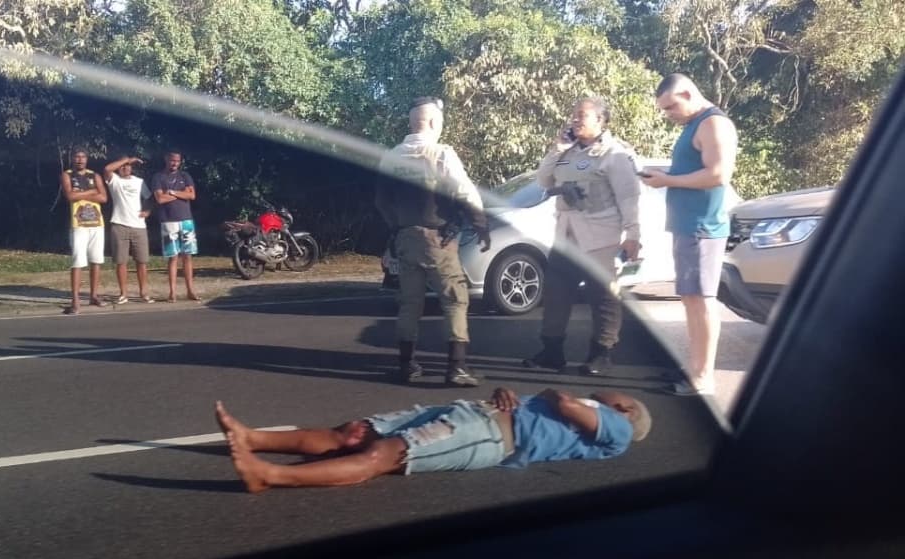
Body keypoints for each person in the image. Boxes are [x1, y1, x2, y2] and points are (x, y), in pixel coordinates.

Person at [213, 386, 651, 493]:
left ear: (626, 409)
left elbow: (566, 405)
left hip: (486, 436)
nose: (610, 393)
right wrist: (505, 393)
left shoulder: (621, 429)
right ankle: (252, 438)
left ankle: (267, 476)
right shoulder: (598, 414)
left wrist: (558, 396)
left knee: (380, 455)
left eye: (620, 397)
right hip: (475, 412)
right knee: (352, 433)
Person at [375, 96, 491, 387]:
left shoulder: (391, 156)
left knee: (410, 303)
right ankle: (457, 368)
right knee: (454, 299)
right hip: (437, 239)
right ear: (432, 123)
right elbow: (465, 192)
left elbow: (382, 201)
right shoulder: (441, 154)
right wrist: (480, 225)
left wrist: (396, 228)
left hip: (405, 238)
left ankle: (407, 365)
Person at [525, 97, 643, 376]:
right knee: (556, 294)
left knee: (602, 296)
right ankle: (551, 352)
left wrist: (633, 234)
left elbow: (630, 197)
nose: (575, 120)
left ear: (601, 121)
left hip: (600, 236)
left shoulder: (615, 154)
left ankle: (601, 354)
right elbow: (543, 181)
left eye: (583, 115)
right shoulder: (568, 151)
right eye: (574, 115)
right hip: (567, 235)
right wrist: (558, 148)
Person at [639, 74, 738, 396]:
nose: (668, 113)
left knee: (702, 302)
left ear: (687, 92)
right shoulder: (694, 125)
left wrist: (668, 181)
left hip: (702, 227)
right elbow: (693, 172)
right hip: (687, 227)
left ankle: (703, 378)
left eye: (670, 106)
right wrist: (664, 175)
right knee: (691, 300)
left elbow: (718, 174)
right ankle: (694, 369)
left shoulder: (713, 124)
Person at [60, 148, 109, 315]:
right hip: (78, 224)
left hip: (96, 223)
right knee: (78, 261)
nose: (80, 160)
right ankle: (75, 300)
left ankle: (93, 295)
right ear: (72, 158)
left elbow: (104, 198)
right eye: (77, 157)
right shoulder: (67, 175)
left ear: (87, 159)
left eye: (83, 157)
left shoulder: (94, 175)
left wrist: (81, 194)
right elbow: (70, 196)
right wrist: (91, 192)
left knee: (96, 261)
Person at [103, 155, 155, 304]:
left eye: (128, 166)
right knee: (121, 262)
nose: (125, 168)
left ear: (132, 168)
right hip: (119, 224)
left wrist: (148, 211)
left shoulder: (139, 182)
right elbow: (107, 169)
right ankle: (123, 294)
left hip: (139, 226)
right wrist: (127, 159)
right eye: (123, 166)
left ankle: (144, 292)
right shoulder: (115, 181)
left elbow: (150, 198)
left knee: (142, 261)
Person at [151, 150, 200, 302]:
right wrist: (180, 193)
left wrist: (171, 192)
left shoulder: (185, 176)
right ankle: (172, 292)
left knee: (188, 257)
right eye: (172, 160)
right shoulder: (158, 177)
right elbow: (159, 199)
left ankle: (190, 290)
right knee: (173, 258)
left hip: (186, 220)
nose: (175, 163)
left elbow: (191, 195)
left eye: (177, 161)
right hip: (168, 221)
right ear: (166, 159)